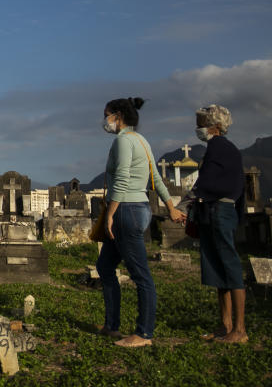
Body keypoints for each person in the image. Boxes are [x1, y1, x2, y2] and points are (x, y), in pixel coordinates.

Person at [97, 97, 185, 348]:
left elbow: (123, 178)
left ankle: (144, 333)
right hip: (138, 207)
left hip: (127, 209)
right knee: (104, 265)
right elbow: (156, 177)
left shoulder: (124, 141)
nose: (105, 121)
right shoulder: (142, 141)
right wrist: (171, 207)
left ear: (118, 116)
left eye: (106, 115)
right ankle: (111, 325)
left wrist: (110, 213)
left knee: (141, 275)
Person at [191, 104, 247, 344]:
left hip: (218, 209)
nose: (199, 129)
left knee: (230, 267)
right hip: (220, 209)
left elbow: (210, 181)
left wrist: (193, 195)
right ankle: (225, 324)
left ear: (214, 126)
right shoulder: (229, 149)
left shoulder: (217, 147)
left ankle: (239, 329)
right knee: (218, 267)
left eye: (201, 123)